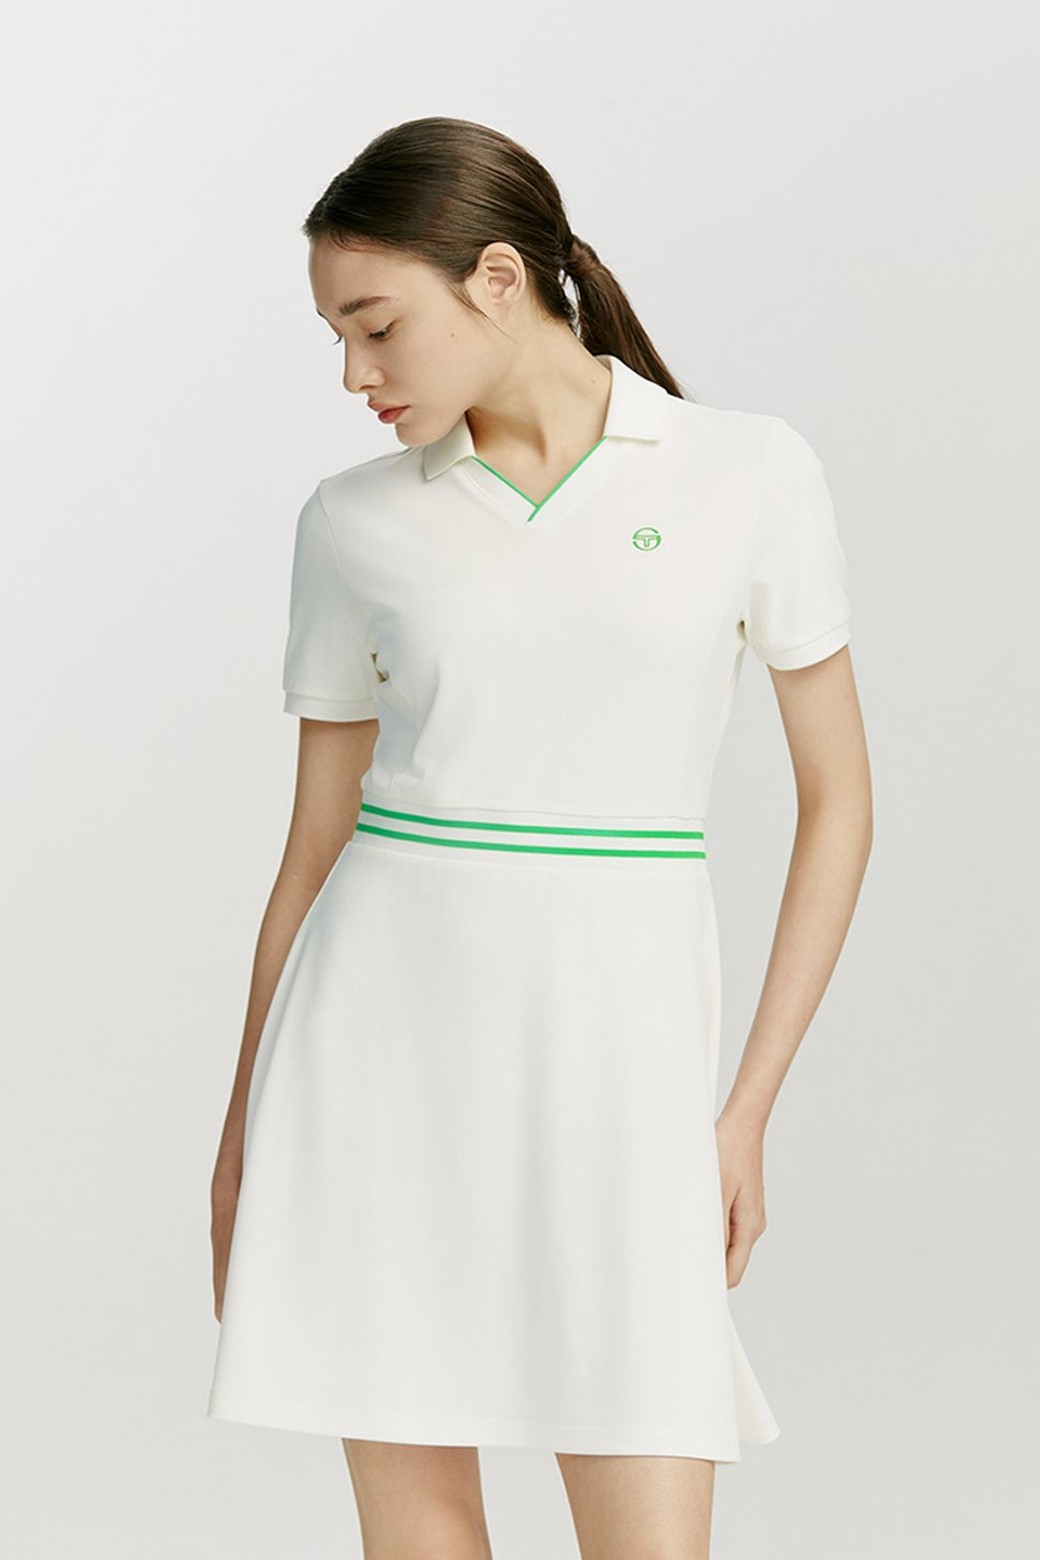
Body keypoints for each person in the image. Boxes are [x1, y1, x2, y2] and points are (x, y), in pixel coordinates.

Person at [206, 115, 873, 1560]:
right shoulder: (351, 521)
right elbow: (312, 848)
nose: (354, 375)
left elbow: (840, 802)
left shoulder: (746, 473)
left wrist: (745, 1111)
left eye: (375, 325)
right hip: (373, 1067)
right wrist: (242, 1131)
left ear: (498, 279)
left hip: (624, 1067)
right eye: (337, 337)